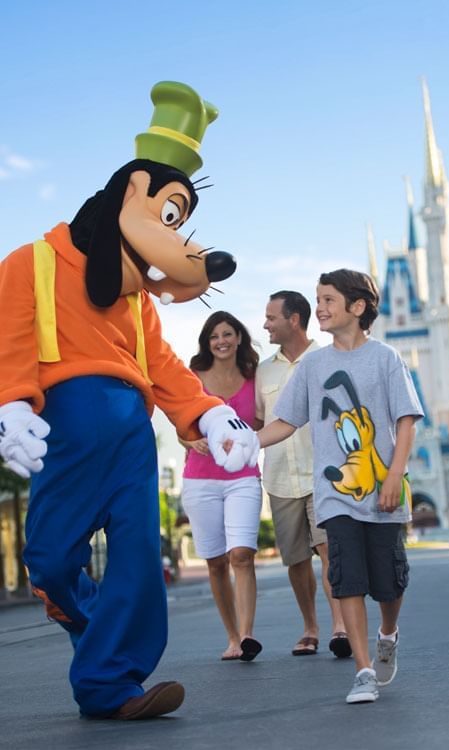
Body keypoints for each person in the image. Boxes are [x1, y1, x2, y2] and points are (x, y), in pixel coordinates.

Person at [0, 82, 259, 720]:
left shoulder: (138, 300)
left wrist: (205, 411)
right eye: (170, 215)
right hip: (67, 426)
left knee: (140, 555)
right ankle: (98, 639)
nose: (175, 239)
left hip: (132, 440)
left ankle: (111, 683)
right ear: (129, 197)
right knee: (51, 560)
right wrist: (10, 404)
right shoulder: (29, 263)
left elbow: (163, 365)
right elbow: (9, 340)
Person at [256, 269, 424, 704]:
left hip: (384, 493)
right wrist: (243, 443)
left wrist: (393, 475)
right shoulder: (313, 365)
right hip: (335, 498)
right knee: (345, 578)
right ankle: (364, 670)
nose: (321, 308)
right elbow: (287, 420)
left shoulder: (385, 358)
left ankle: (388, 632)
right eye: (318, 299)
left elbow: (406, 421)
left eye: (328, 300)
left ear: (358, 306)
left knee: (390, 583)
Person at [255, 291, 349, 658]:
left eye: (271, 317)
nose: (265, 324)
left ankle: (340, 625)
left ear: (294, 319)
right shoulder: (264, 371)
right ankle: (310, 626)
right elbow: (261, 422)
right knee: (295, 560)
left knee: (329, 551)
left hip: (324, 473)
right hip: (280, 475)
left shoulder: (327, 360)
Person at [181, 312, 263, 662]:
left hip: (243, 478)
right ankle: (231, 636)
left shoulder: (253, 377)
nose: (221, 341)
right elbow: (181, 422)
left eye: (227, 334)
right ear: (207, 342)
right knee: (215, 562)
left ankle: (247, 637)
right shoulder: (193, 377)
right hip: (200, 479)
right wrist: (191, 441)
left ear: (239, 338)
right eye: (214, 336)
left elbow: (260, 421)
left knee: (241, 556)